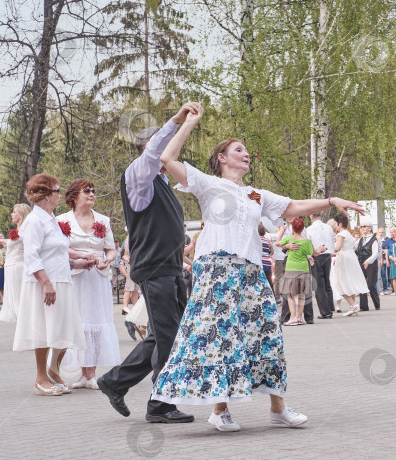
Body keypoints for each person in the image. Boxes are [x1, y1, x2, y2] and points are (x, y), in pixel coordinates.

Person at [150, 103, 364, 431]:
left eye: (247, 151)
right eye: (239, 150)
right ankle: (219, 411)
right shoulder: (208, 184)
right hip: (216, 269)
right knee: (223, 339)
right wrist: (188, 122)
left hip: (250, 271)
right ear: (222, 158)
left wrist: (331, 201)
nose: (246, 154)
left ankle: (278, 408)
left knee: (267, 334)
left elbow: (293, 206)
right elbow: (167, 160)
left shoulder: (255, 195)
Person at [97, 102, 199, 424]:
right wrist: (178, 121)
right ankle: (159, 405)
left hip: (168, 268)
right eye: (166, 147)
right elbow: (156, 151)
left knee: (164, 335)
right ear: (148, 149)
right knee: (168, 337)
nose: (172, 153)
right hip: (154, 268)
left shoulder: (162, 183)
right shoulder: (139, 176)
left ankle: (115, 381)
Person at [12, 173, 92, 396]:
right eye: (57, 191)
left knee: (64, 328)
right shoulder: (34, 221)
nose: (60, 195)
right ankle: (40, 378)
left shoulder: (52, 220)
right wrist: (46, 283)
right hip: (44, 283)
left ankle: (54, 371)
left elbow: (56, 253)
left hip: (62, 280)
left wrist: (77, 262)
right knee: (44, 330)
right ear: (46, 196)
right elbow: (32, 256)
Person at [57, 179, 120, 390]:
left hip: (97, 277)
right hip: (74, 275)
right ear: (74, 196)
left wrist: (107, 260)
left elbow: (111, 249)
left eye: (93, 191)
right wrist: (80, 258)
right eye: (87, 191)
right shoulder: (61, 220)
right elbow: (58, 249)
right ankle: (76, 372)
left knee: (95, 323)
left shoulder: (103, 220)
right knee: (76, 323)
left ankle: (90, 374)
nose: (92, 194)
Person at [0, 204, 32, 321]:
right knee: (12, 292)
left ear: (22, 215)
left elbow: (19, 240)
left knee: (18, 293)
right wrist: (2, 243)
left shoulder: (25, 229)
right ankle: (18, 316)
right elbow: (13, 243)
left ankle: (23, 318)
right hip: (10, 265)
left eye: (14, 212)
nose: (11, 214)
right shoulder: (18, 230)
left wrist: (0, 240)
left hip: (17, 265)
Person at [280, 217, 322, 325]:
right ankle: (299, 317)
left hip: (291, 268)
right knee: (302, 294)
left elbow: (277, 243)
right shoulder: (307, 241)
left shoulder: (289, 239)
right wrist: (320, 250)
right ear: (303, 227)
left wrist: (281, 233)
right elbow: (314, 253)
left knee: (290, 294)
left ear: (292, 227)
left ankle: (293, 317)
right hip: (303, 268)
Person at [330, 213, 369, 316]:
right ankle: (352, 307)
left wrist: (327, 247)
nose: (335, 226)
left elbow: (337, 248)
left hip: (344, 258)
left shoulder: (341, 234)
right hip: (350, 257)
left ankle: (353, 304)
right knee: (349, 282)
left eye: (336, 224)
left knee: (340, 283)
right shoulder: (348, 233)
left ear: (340, 223)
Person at [306, 212, 336, 319]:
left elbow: (308, 243)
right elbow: (333, 240)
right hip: (328, 254)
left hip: (317, 255)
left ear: (312, 216)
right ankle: (330, 307)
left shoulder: (309, 229)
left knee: (319, 285)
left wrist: (309, 256)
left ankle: (325, 311)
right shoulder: (328, 227)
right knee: (327, 282)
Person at [356, 219, 381, 311]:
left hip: (371, 264)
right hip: (361, 263)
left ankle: (377, 303)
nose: (362, 228)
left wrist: (368, 261)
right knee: (362, 284)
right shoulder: (361, 240)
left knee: (371, 284)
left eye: (364, 226)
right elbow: (353, 248)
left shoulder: (374, 240)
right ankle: (364, 306)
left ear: (370, 228)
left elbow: (375, 253)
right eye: (361, 227)